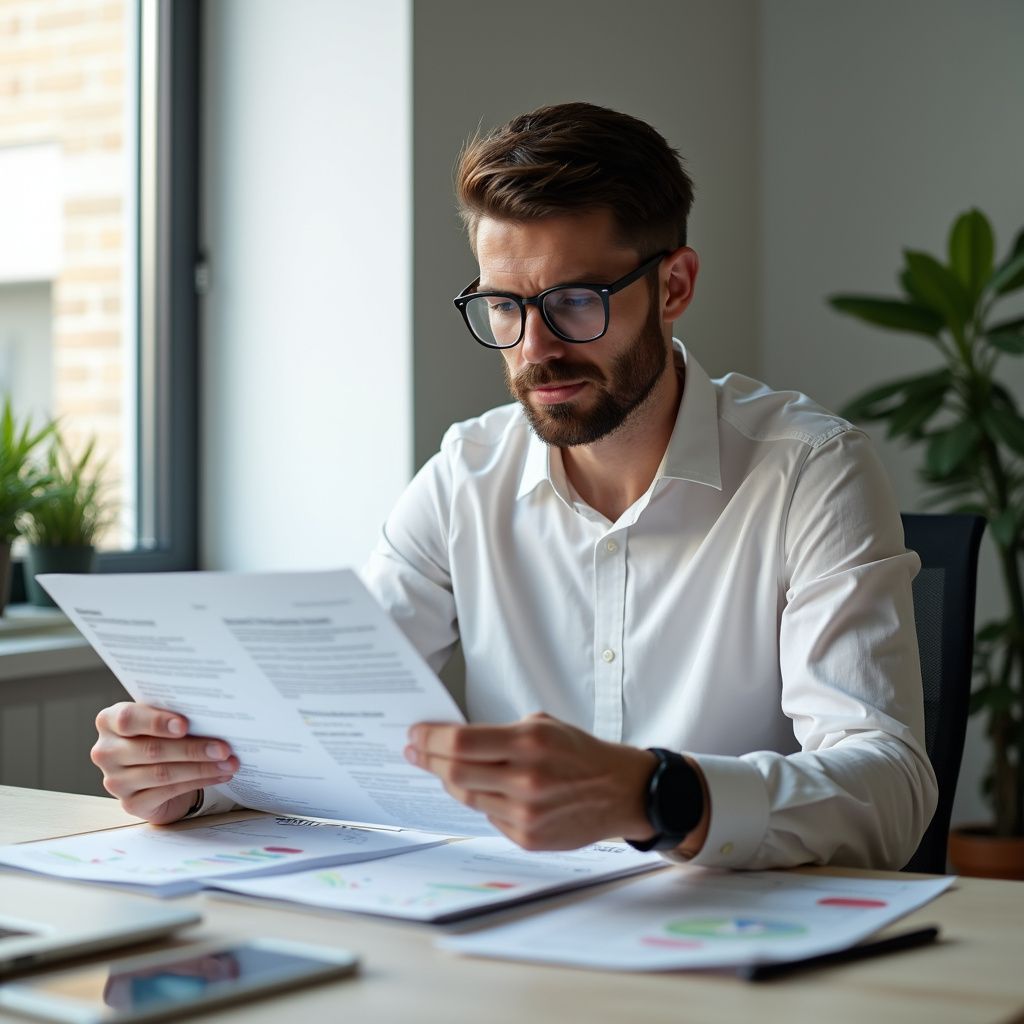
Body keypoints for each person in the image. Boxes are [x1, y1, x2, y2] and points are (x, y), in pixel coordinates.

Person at [91, 102, 937, 870]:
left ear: (672, 285)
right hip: (510, 936)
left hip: (734, 948)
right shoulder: (466, 474)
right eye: (503, 305)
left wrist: (655, 795)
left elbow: (891, 786)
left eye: (574, 301)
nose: (534, 349)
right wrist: (193, 774)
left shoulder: (809, 470)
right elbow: (328, 717)